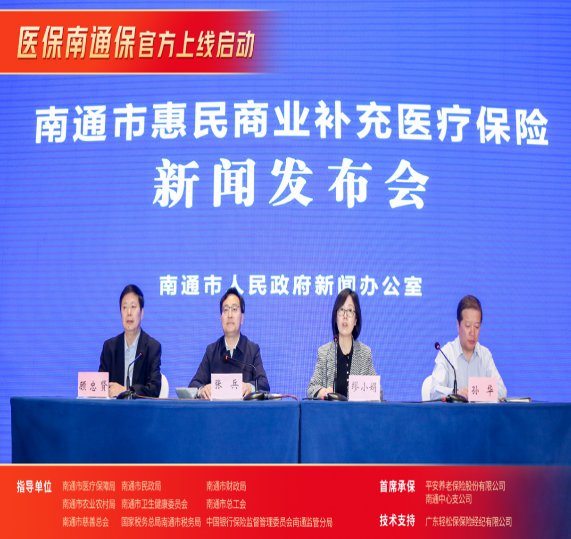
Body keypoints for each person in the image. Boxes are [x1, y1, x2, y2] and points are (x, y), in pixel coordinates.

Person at [189, 287, 269, 399]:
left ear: (242, 318)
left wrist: (249, 387)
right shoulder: (211, 350)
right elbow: (193, 384)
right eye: (226, 310)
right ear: (221, 318)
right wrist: (202, 389)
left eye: (234, 309)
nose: (230, 315)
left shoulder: (252, 349)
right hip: (217, 409)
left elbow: (264, 384)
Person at [307, 288, 381, 399]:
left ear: (355, 320)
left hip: (357, 410)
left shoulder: (364, 353)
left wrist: (361, 393)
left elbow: (378, 392)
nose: (345, 316)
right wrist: (323, 392)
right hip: (332, 410)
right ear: (336, 317)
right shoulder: (324, 352)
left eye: (350, 310)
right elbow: (311, 389)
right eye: (341, 310)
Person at [430, 295, 506, 400]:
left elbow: (502, 391)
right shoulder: (446, 354)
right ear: (458, 325)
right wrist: (456, 393)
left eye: (476, 326)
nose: (472, 333)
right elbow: (434, 392)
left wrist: (475, 392)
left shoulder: (485, 355)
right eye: (468, 326)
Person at [98, 285, 162, 398]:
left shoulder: (152, 347)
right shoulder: (110, 347)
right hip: (114, 408)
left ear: (142, 313)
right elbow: (100, 386)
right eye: (124, 307)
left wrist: (127, 391)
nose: (129, 312)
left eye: (133, 307)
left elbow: (154, 389)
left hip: (140, 408)